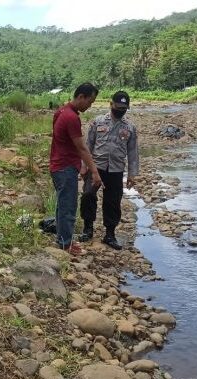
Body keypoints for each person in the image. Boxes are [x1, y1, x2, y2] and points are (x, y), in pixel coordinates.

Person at [80, 91, 140, 250]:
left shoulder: (130, 128)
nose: (120, 110)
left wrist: (132, 174)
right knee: (88, 196)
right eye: (118, 107)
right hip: (96, 168)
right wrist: (84, 166)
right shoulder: (97, 122)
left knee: (113, 201)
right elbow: (87, 145)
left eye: (124, 108)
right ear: (111, 104)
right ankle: (87, 229)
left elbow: (133, 152)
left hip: (116, 169)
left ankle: (110, 234)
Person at [50, 83, 102, 256]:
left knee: (62, 204)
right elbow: (81, 148)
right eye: (90, 101)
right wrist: (94, 171)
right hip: (65, 167)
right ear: (81, 97)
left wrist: (79, 164)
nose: (90, 105)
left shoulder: (61, 112)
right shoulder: (71, 117)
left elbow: (64, 143)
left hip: (58, 165)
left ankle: (62, 239)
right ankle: (65, 244)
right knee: (68, 207)